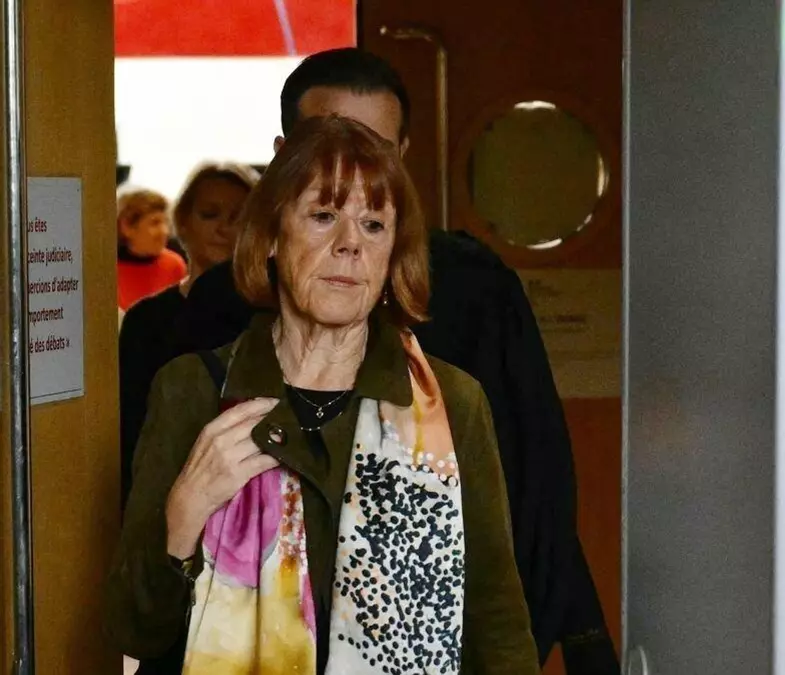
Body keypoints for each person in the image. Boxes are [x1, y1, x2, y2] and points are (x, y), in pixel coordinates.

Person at [137, 48, 619, 672]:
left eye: (372, 218)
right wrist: (183, 516)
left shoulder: (465, 353)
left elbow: (514, 566)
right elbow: (135, 620)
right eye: (324, 207)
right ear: (280, 182)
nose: (348, 241)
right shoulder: (195, 367)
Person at [119, 162, 259, 510]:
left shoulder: (271, 319)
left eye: (238, 216)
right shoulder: (145, 320)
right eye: (210, 214)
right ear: (182, 222)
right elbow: (128, 427)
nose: (224, 228)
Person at [116, 187, 187, 310]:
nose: (165, 231)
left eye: (166, 222)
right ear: (126, 227)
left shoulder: (174, 265)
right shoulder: (107, 270)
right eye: (155, 223)